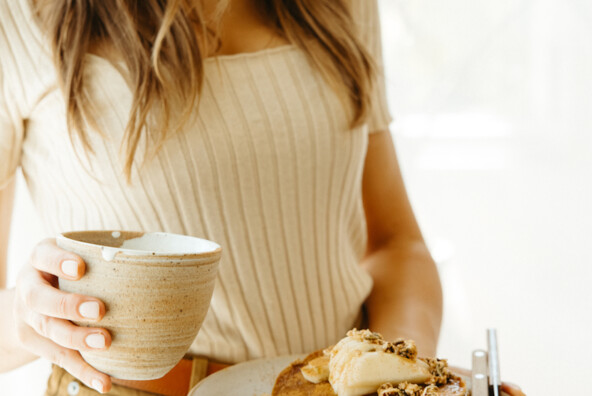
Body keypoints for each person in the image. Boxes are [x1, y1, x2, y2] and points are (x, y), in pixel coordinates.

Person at [0, 0, 525, 395]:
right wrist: (25, 317)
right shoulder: (17, 20)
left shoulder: (338, 7)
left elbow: (396, 245)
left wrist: (399, 374)